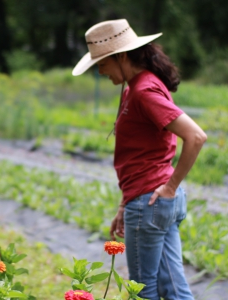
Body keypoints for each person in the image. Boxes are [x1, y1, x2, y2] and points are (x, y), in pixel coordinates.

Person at [72, 19, 207, 300]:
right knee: (174, 289)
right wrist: (126, 202)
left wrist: (168, 187)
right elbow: (139, 153)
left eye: (102, 64)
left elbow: (195, 136)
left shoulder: (144, 91)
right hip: (153, 201)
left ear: (121, 56)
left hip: (151, 201)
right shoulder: (136, 87)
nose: (100, 71)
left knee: (142, 292)